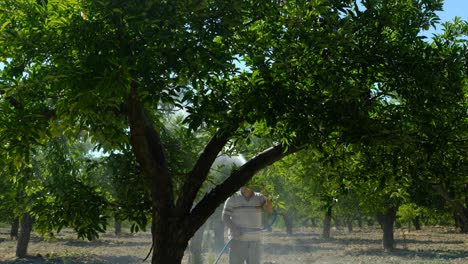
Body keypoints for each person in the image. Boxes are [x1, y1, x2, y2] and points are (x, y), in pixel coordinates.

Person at [222, 185, 273, 264]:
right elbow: (225, 217)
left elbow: (270, 209)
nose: (245, 186)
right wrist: (234, 229)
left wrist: (267, 197)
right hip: (237, 240)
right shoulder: (233, 198)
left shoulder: (260, 197)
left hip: (255, 241)